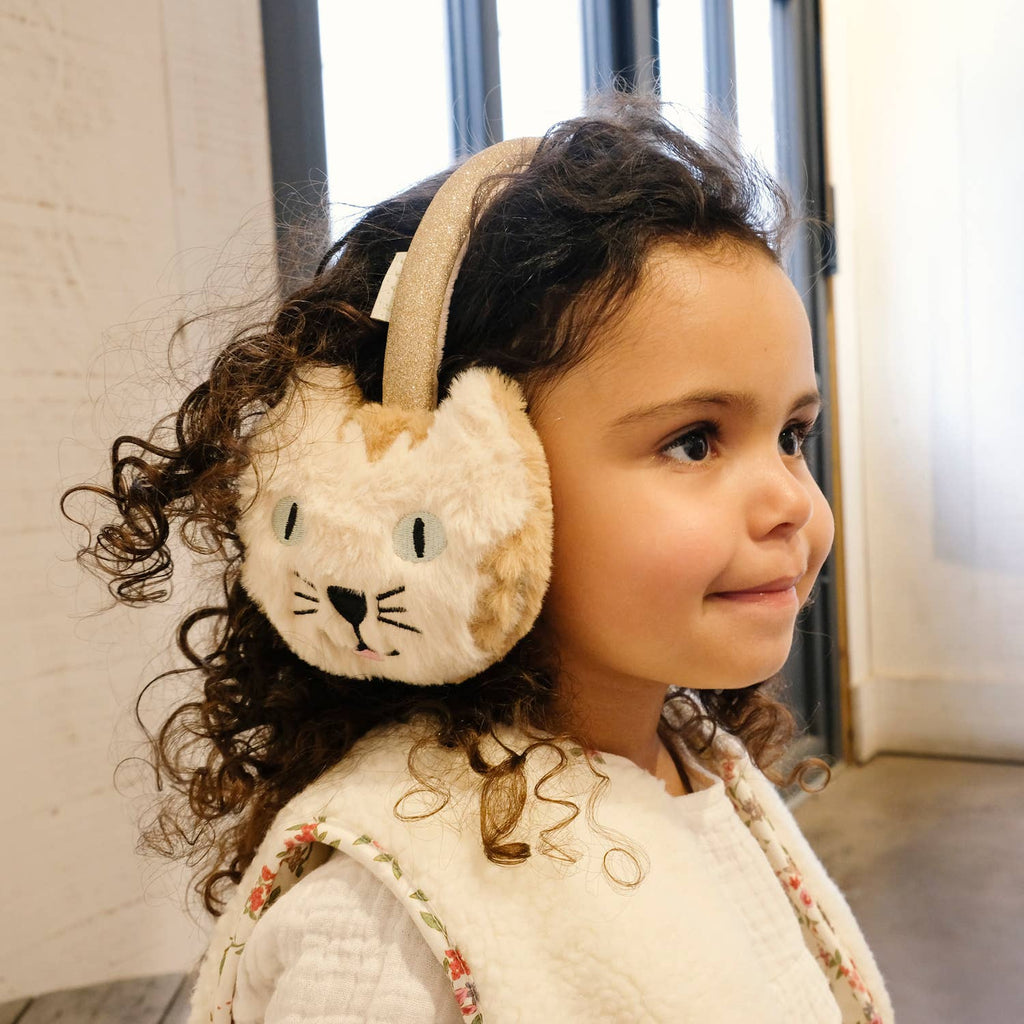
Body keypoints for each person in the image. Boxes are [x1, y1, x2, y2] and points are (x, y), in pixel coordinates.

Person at [65, 94, 893, 1023]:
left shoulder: (694, 765)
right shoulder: (378, 936)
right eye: (695, 441)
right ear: (460, 485)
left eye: (793, 434)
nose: (792, 501)